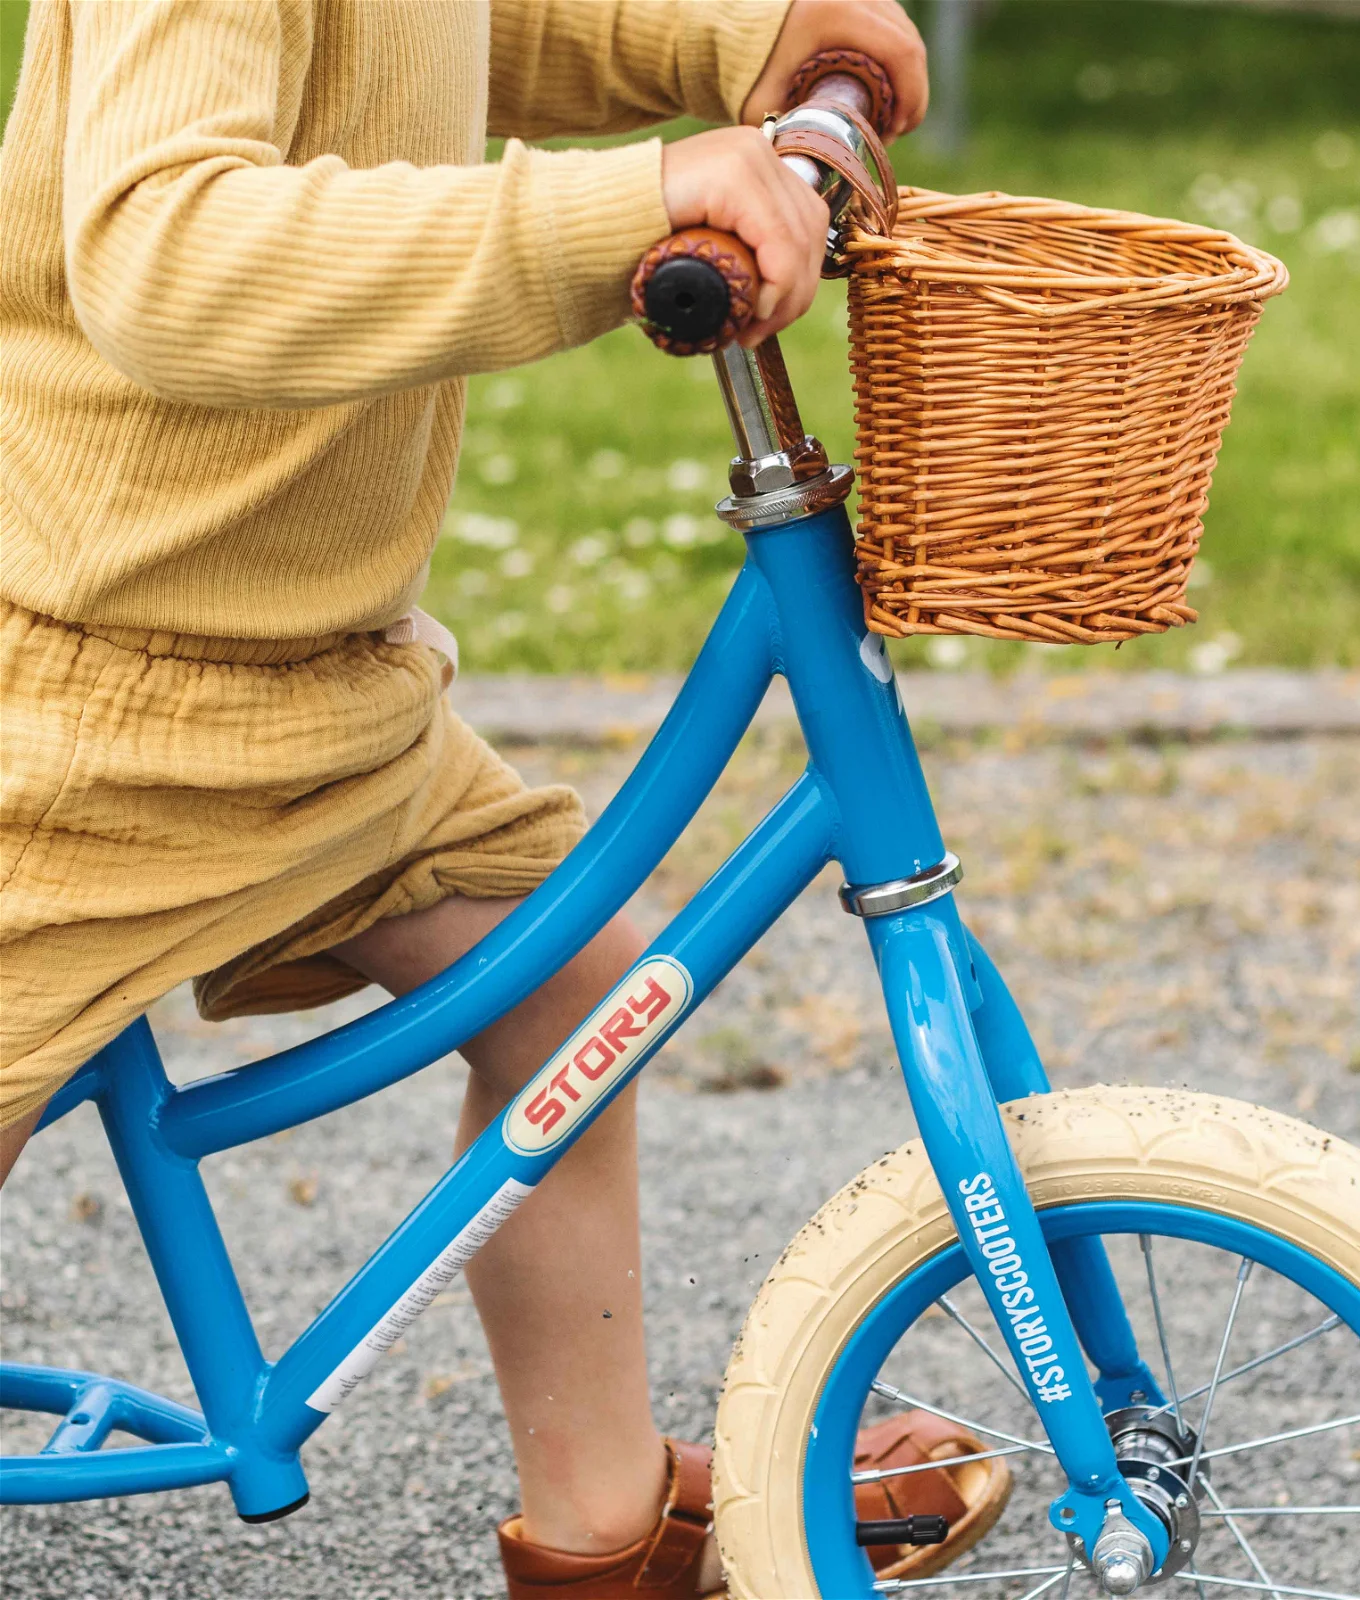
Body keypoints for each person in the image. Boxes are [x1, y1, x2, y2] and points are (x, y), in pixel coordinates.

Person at [0, 2, 1013, 1593]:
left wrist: (728, 43)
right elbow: (162, 252)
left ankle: (608, 1534)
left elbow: (444, 37)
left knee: (571, 987)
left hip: (319, 682)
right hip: (85, 702)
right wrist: (632, 200)